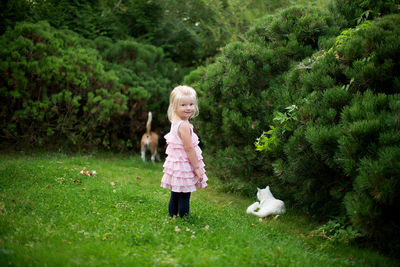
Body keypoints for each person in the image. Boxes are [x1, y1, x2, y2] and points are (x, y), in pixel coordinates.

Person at [160, 85, 208, 217]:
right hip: (184, 165)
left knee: (176, 192)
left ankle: (173, 215)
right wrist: (197, 167)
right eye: (183, 105)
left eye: (191, 104)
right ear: (174, 106)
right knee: (184, 194)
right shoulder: (184, 125)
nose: (188, 108)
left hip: (176, 164)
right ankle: (184, 219)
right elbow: (189, 148)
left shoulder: (175, 120)